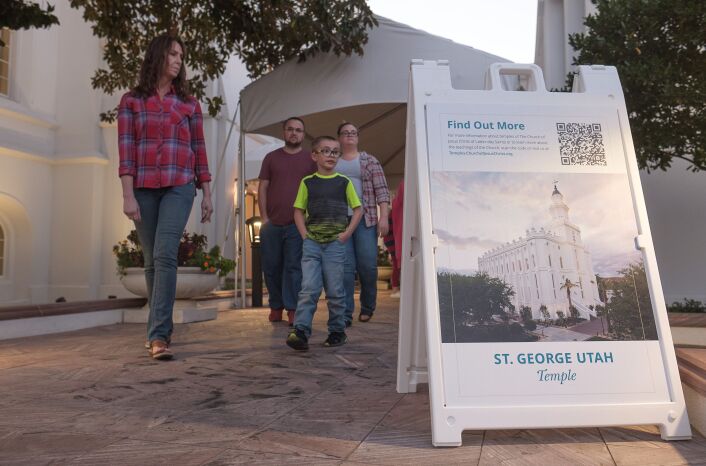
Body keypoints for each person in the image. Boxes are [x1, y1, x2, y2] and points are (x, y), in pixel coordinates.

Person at [118, 34, 212, 360]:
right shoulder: (131, 102)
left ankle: (159, 336)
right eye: (173, 54)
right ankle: (155, 331)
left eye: (181, 56)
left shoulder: (189, 103)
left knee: (165, 254)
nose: (178, 60)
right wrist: (127, 195)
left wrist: (207, 192)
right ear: (157, 56)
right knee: (151, 261)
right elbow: (126, 152)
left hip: (179, 185)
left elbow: (198, 149)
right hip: (143, 187)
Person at [286, 136, 362, 351]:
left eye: (335, 152)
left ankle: (337, 331)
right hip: (312, 244)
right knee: (308, 288)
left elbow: (358, 209)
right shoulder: (307, 182)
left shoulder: (344, 182)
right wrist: (304, 235)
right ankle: (300, 332)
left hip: (335, 245)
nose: (331, 155)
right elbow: (298, 211)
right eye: (326, 151)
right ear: (315, 155)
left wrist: (346, 235)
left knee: (336, 290)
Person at [258, 117, 316, 325]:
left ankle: (292, 309)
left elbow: (315, 190)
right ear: (283, 132)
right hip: (271, 223)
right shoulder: (271, 158)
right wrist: (264, 218)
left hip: (297, 225)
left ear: (303, 134)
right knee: (271, 267)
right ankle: (276, 306)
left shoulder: (311, 159)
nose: (294, 133)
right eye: (290, 129)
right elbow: (263, 187)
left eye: (298, 130)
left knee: (294, 267)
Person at [336, 122, 390, 324]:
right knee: (346, 268)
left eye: (353, 132)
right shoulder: (333, 162)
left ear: (357, 138)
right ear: (340, 138)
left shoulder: (369, 161)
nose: (349, 135)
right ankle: (346, 312)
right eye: (345, 133)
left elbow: (382, 191)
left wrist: (383, 217)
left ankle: (368, 306)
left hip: (365, 220)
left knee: (367, 265)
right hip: (341, 221)